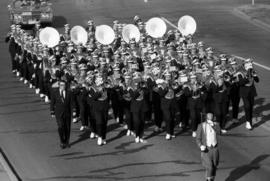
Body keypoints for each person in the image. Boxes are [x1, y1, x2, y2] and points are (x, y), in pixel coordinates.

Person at [50, 81, 76, 149]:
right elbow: (52, 102)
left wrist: (74, 111)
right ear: (59, 85)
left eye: (64, 85)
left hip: (67, 112)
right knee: (60, 126)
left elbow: (72, 102)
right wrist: (52, 111)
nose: (63, 86)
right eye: (61, 85)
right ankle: (62, 141)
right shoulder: (55, 92)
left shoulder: (69, 92)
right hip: (58, 113)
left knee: (67, 127)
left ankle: (67, 142)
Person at [196, 113, 220, 181]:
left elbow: (219, 132)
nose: (211, 119)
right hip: (206, 149)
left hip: (215, 148)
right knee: (209, 167)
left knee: (214, 166)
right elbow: (198, 138)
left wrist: (213, 125)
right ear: (206, 118)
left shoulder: (216, 124)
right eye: (209, 118)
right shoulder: (201, 126)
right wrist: (200, 146)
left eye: (212, 118)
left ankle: (211, 179)